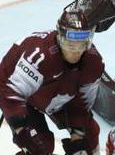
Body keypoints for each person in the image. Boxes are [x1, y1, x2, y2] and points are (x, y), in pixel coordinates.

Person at [0, 9, 104, 155]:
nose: (76, 52)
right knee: (39, 147)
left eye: (81, 44)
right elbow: (9, 92)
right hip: (25, 97)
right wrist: (21, 131)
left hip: (57, 96)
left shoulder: (93, 63)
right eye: (70, 44)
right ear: (60, 38)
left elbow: (81, 106)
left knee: (89, 135)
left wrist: (77, 139)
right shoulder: (40, 57)